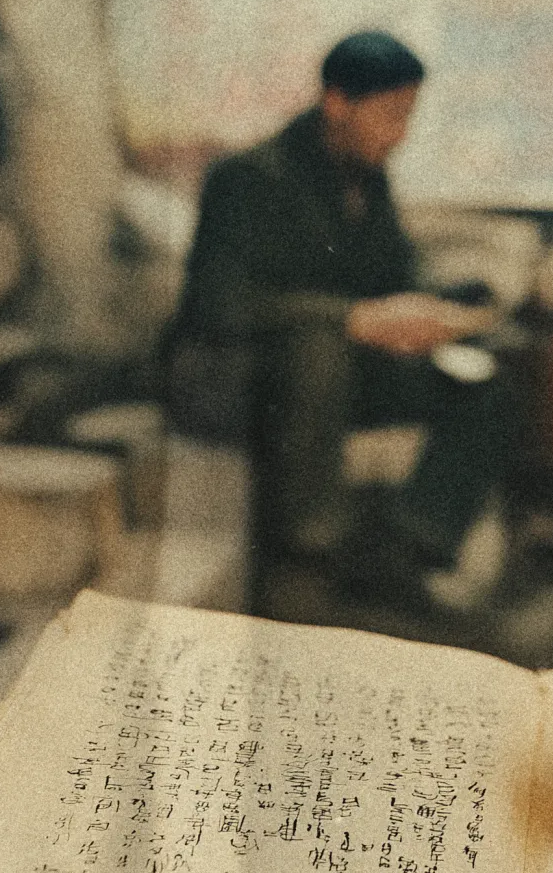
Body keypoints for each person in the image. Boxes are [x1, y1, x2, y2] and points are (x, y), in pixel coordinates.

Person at [160, 31, 508, 611]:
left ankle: (407, 549)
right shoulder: (245, 178)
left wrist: (431, 312)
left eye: (409, 117)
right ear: (338, 103)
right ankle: (311, 555)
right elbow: (215, 305)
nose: (401, 135)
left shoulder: (369, 180)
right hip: (232, 380)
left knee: (486, 382)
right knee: (318, 349)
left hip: (336, 375)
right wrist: (354, 318)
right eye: (391, 115)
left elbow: (396, 276)